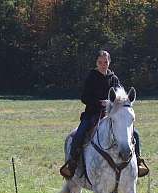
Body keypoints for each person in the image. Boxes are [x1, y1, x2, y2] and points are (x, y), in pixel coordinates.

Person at [60, 50, 148, 178]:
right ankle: (72, 163)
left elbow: (121, 96)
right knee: (79, 133)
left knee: (135, 133)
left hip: (112, 115)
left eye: (105, 62)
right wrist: (99, 103)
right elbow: (84, 97)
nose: (103, 65)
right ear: (96, 63)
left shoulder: (114, 78)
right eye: (100, 62)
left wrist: (117, 103)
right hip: (92, 114)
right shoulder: (92, 77)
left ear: (109, 62)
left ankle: (138, 161)